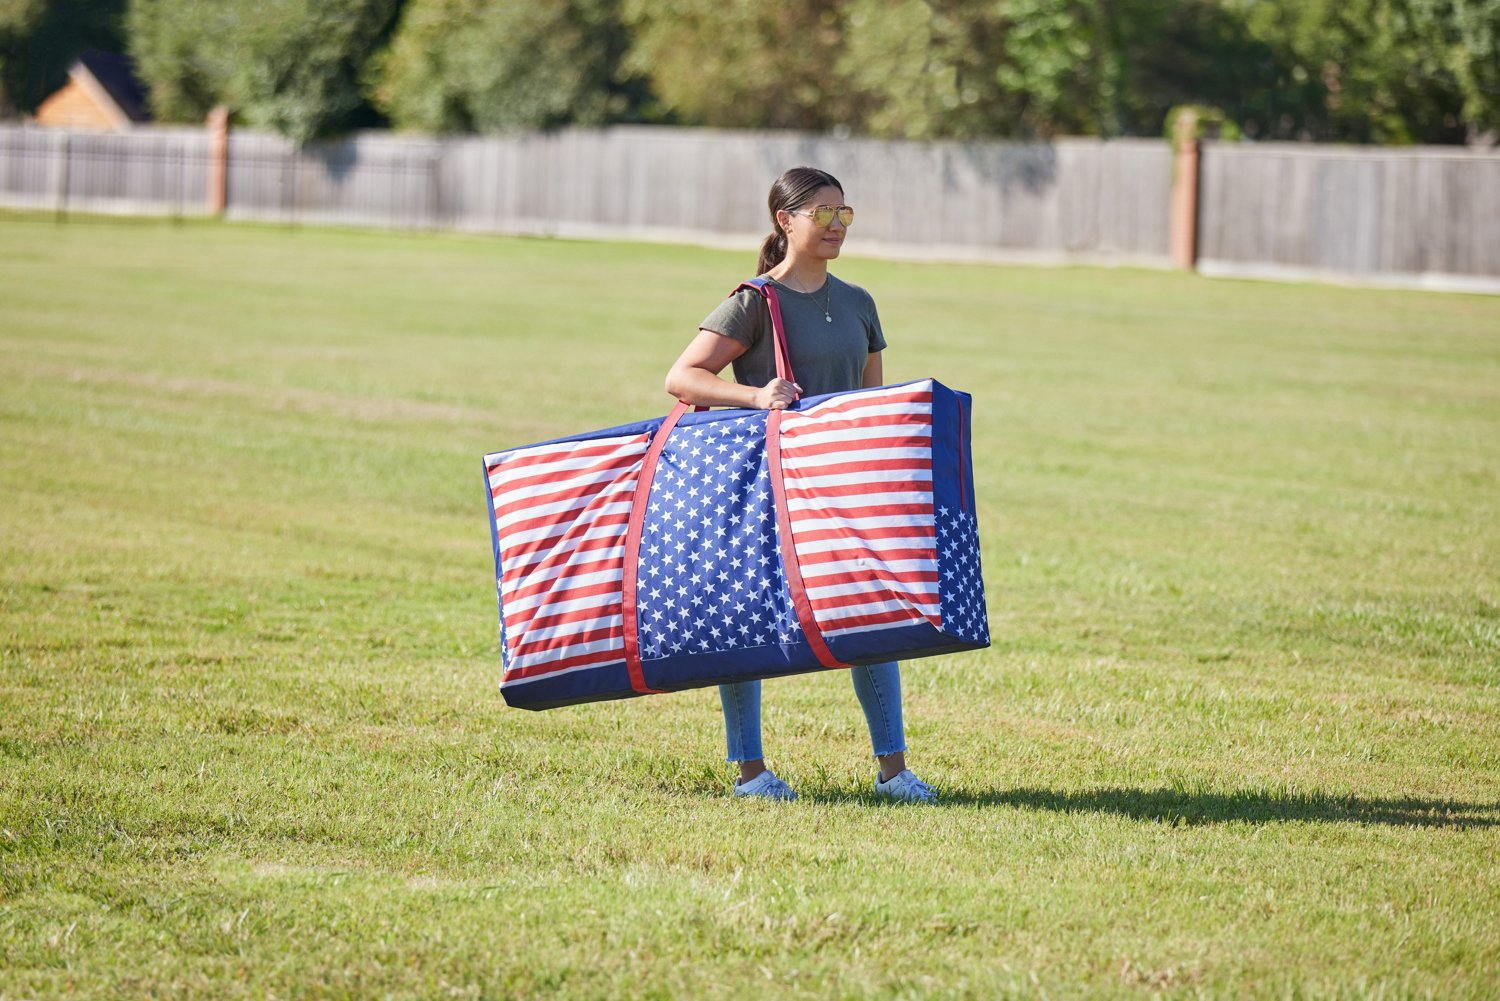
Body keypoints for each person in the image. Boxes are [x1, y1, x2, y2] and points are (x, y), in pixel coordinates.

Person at [664, 166, 937, 804]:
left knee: (871, 616)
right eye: (824, 214)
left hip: (840, 488)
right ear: (785, 221)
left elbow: (869, 404)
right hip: (768, 488)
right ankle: (750, 774)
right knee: (747, 623)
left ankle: (894, 772)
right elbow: (682, 377)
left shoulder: (860, 303)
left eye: (845, 213)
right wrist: (756, 396)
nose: (838, 225)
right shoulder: (754, 301)